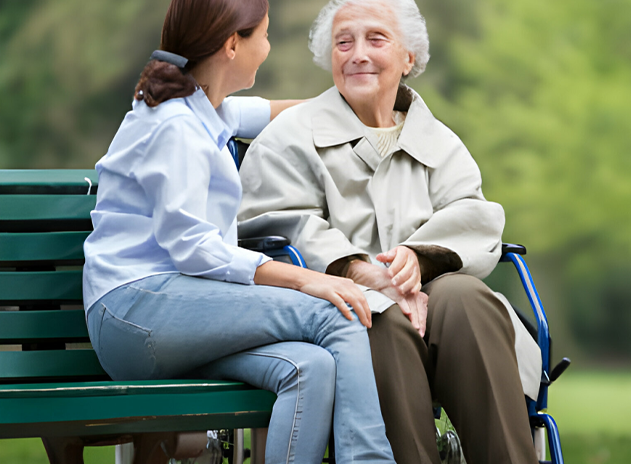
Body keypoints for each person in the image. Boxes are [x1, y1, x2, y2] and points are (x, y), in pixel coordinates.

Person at [82, 0, 396, 462]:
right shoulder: (175, 126)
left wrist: (370, 95)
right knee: (338, 311)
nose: (267, 48)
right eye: (264, 36)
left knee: (309, 367)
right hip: (137, 311)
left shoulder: (206, 109)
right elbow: (192, 248)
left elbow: (287, 112)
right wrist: (305, 278)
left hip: (181, 316)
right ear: (233, 44)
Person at [237, 0, 542, 462]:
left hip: (431, 303)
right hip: (336, 305)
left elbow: (477, 218)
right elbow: (276, 224)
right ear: (331, 57)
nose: (358, 53)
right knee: (375, 320)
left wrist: (417, 259)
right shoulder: (288, 137)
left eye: (376, 39)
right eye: (344, 42)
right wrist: (361, 272)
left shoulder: (440, 141)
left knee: (468, 299)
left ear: (408, 57)